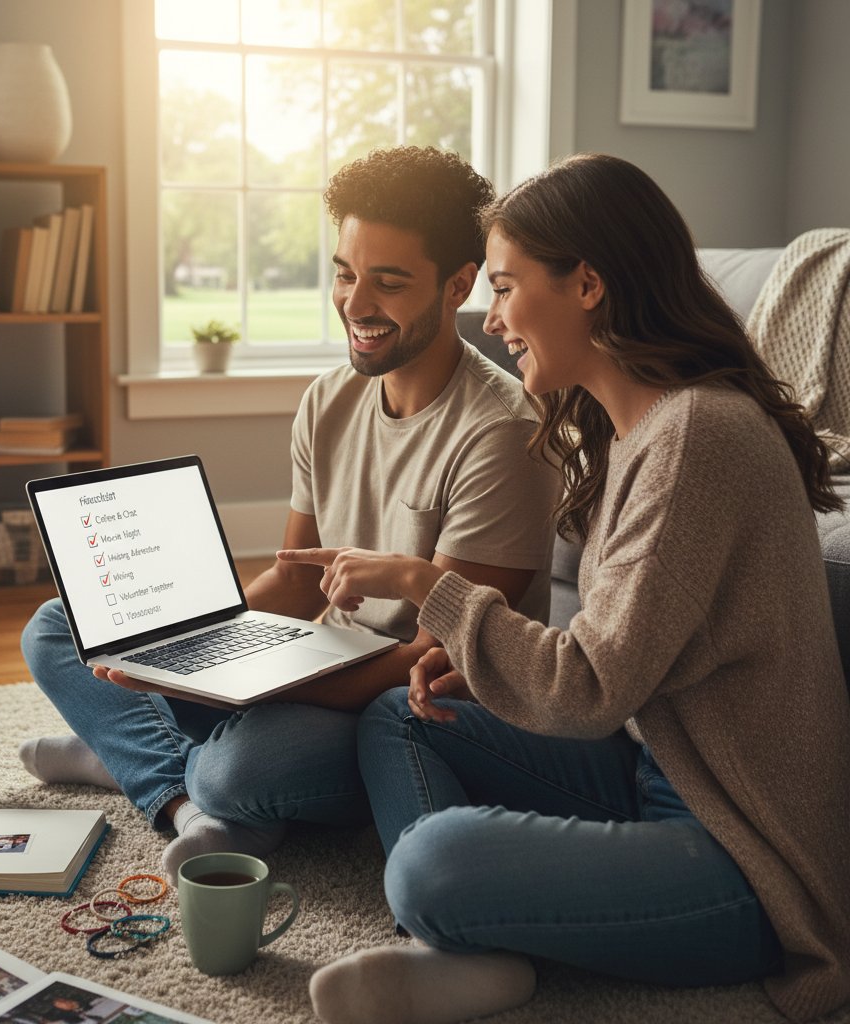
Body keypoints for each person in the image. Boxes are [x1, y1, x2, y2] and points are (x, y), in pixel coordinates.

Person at [281, 154, 850, 1024]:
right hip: (652, 767)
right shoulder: (641, 426)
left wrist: (426, 584)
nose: (494, 320)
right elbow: (616, 659)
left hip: (746, 856)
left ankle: (453, 921)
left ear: (587, 285)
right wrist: (483, 663)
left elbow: (585, 688)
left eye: (505, 289)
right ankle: (456, 948)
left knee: (437, 861)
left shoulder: (698, 437)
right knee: (403, 714)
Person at [18, 145, 562, 884]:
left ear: (457, 285)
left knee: (244, 768)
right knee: (62, 624)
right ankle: (176, 791)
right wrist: (189, 635)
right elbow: (296, 582)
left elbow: (424, 664)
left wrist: (219, 683)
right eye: (344, 274)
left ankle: (141, 758)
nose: (356, 303)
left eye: (389, 282)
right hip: (313, 666)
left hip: (399, 708)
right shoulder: (328, 400)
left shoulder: (500, 431)